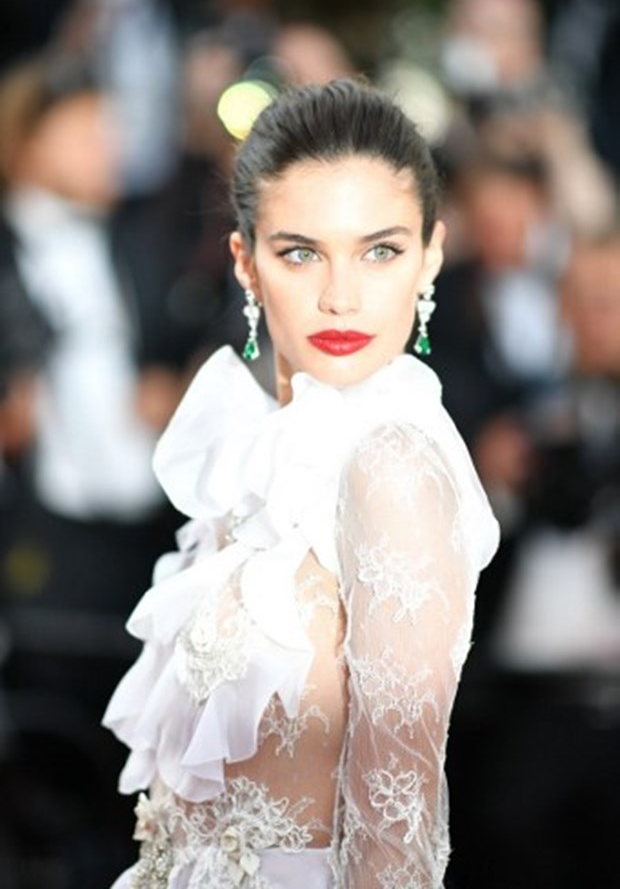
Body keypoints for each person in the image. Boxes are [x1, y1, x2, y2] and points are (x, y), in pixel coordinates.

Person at [103, 79, 499, 889]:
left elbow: (397, 840)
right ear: (245, 263)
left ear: (431, 255)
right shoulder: (249, 454)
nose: (340, 297)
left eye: (380, 250)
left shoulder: (393, 464)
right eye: (300, 252)